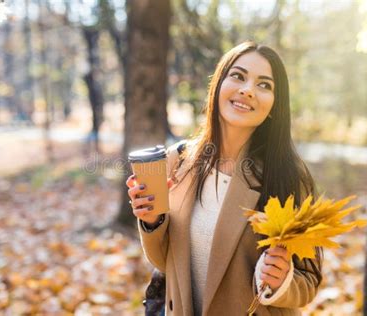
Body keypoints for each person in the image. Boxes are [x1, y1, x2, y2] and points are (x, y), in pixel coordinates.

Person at [126, 41, 322, 315]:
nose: (247, 90)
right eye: (238, 76)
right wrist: (151, 221)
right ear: (218, 84)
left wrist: (282, 281)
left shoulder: (288, 178)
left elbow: (309, 280)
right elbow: (165, 262)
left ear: (276, 104)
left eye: (264, 85)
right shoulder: (178, 161)